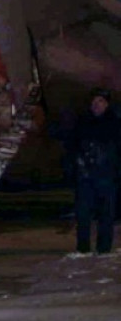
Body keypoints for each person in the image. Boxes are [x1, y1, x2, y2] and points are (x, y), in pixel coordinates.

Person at [64, 88, 119, 254]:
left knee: (106, 214)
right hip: (85, 176)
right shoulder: (83, 123)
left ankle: (104, 249)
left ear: (107, 104)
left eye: (101, 101)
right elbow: (72, 146)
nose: (97, 105)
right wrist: (77, 164)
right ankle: (83, 248)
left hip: (107, 176)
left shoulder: (114, 124)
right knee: (83, 214)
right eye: (94, 102)